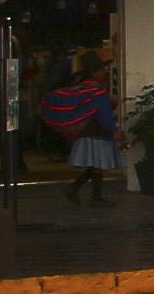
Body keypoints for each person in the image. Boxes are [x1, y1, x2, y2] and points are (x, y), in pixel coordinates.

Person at [41, 50, 123, 207]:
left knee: (95, 165)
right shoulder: (97, 92)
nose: (105, 72)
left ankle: (76, 190)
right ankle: (92, 196)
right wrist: (114, 130)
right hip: (97, 132)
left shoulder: (81, 88)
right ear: (95, 72)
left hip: (86, 132)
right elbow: (104, 114)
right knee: (97, 165)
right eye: (102, 69)